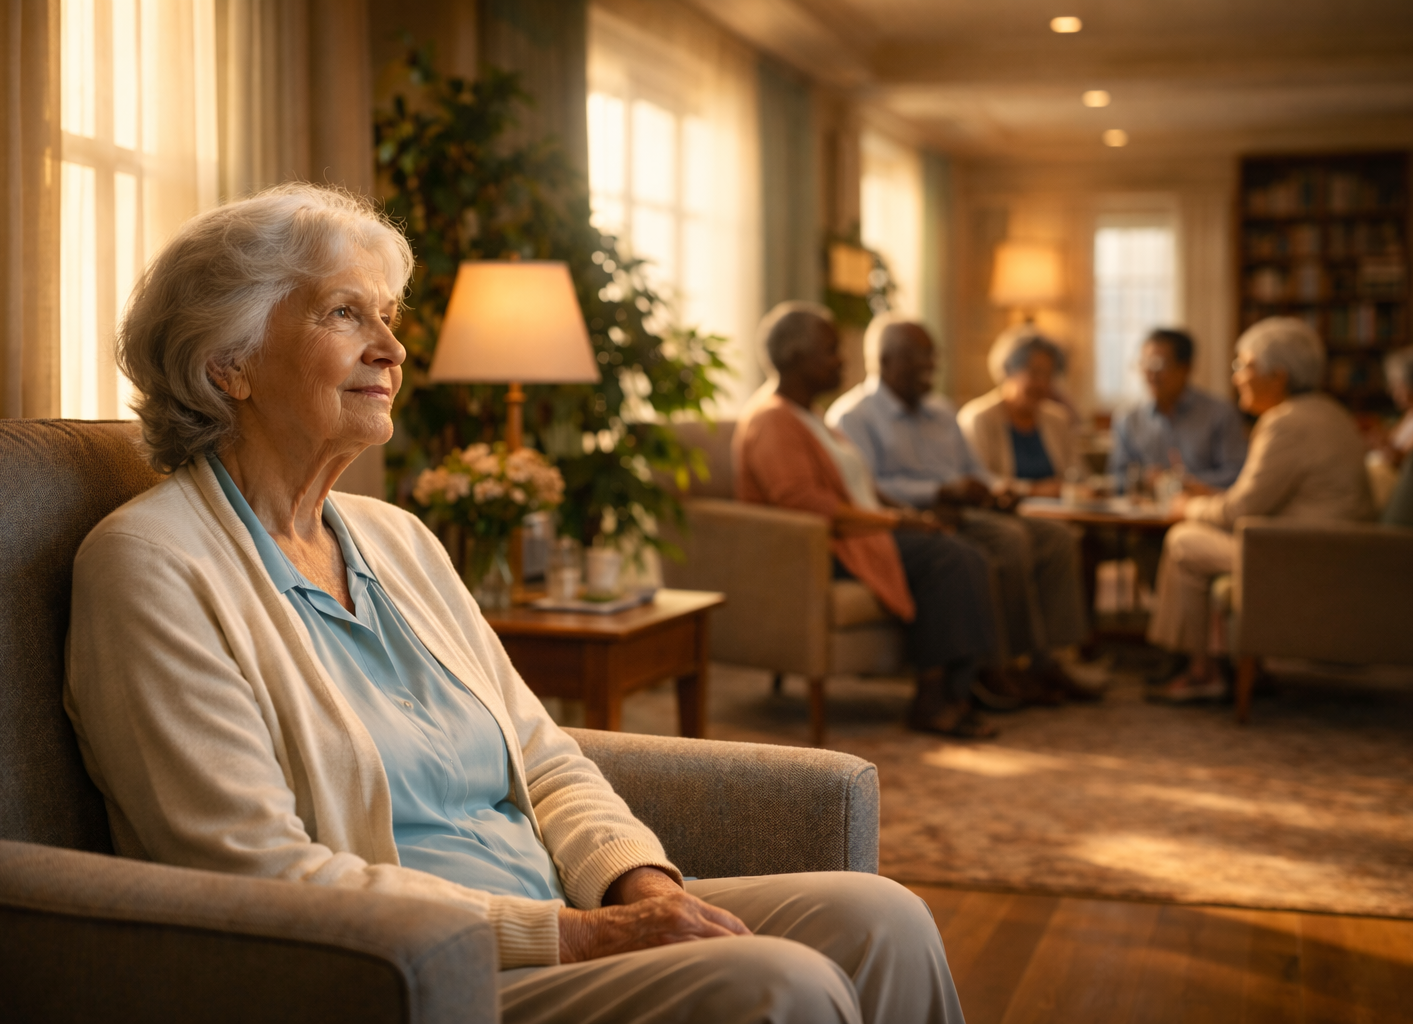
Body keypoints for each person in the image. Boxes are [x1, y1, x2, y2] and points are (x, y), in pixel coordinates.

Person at [63, 185, 963, 1024]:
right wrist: (578, 936)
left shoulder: (396, 539)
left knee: (883, 917)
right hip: (410, 970)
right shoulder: (151, 566)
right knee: (780, 981)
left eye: (388, 316)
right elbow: (252, 871)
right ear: (231, 365)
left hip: (557, 915)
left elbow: (545, 760)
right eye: (345, 313)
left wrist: (642, 891)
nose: (391, 346)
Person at [736, 301, 1012, 737]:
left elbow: (859, 484)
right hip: (824, 547)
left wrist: (908, 516)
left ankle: (964, 689)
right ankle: (933, 697)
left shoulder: (814, 419)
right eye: (829, 350)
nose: (842, 359)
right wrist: (893, 524)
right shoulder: (772, 420)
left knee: (963, 549)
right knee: (950, 559)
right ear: (793, 357)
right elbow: (802, 502)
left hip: (861, 532)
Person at [827, 315, 1096, 703]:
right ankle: (1001, 666)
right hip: (915, 517)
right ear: (886, 361)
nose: (931, 368)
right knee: (1010, 540)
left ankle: (1050, 660)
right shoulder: (852, 418)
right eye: (920, 359)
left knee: (1056, 537)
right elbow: (869, 488)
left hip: (964, 510)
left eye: (933, 359)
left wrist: (996, 489)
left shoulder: (941, 410)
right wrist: (941, 490)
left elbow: (974, 469)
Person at [1146, 317, 1375, 702]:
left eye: (1244, 366)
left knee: (1185, 541)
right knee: (1194, 537)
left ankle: (1200, 669)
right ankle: (1214, 663)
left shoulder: (1284, 423)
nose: (1236, 377)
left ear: (1278, 376)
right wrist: (1206, 498)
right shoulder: (1328, 412)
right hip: (1329, 547)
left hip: (1302, 554)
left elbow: (1238, 511)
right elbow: (1267, 497)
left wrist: (1188, 506)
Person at [1108, 328, 1248, 495]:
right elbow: (1115, 477)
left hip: (1200, 513)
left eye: (1158, 364)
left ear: (1185, 368)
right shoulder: (1128, 418)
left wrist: (1179, 484)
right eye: (1144, 363)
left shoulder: (1220, 414)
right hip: (1140, 517)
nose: (1150, 373)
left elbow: (1235, 475)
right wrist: (1143, 480)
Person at [958, 326, 1077, 495]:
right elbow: (981, 480)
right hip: (1007, 513)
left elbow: (1077, 474)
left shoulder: (1058, 418)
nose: (1043, 383)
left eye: (1049, 375)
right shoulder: (979, 418)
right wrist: (1034, 490)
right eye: (1035, 373)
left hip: (1060, 512)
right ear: (1008, 371)